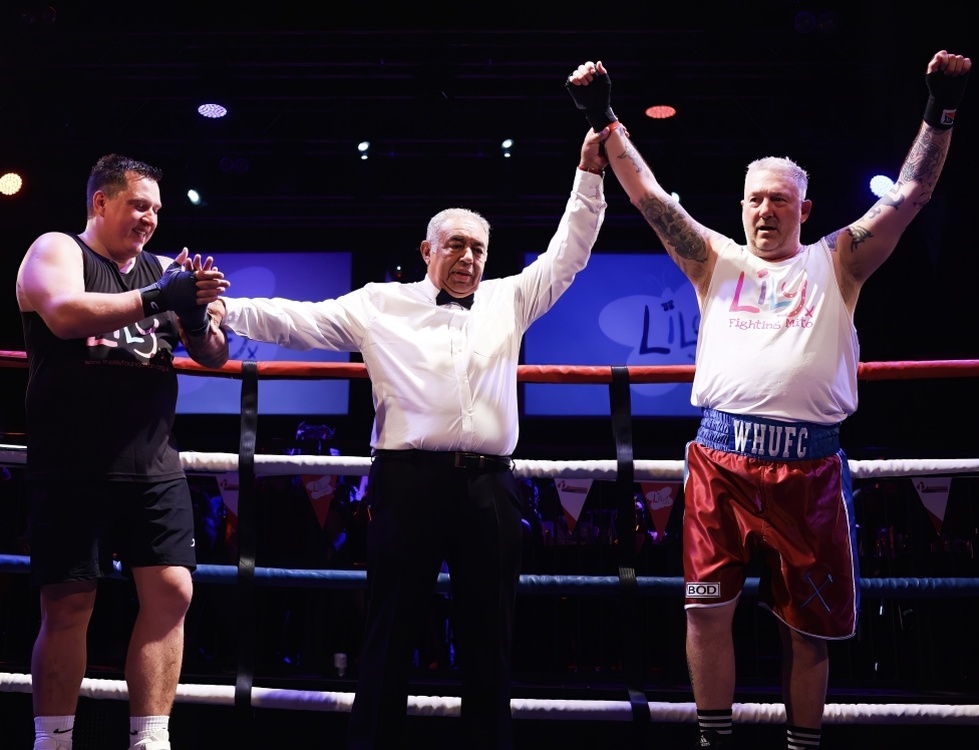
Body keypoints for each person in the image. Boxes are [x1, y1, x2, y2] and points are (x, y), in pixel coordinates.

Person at [567, 51, 971, 749]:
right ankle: (713, 742)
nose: (764, 210)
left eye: (778, 200)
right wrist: (603, 116)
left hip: (809, 471)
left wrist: (940, 112)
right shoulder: (715, 260)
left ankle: (803, 745)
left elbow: (908, 196)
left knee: (807, 628)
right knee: (705, 614)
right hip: (721, 461)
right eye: (755, 198)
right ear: (741, 204)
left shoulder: (838, 259)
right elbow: (651, 199)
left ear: (803, 208)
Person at [216, 128, 610, 749]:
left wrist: (589, 173)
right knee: (389, 636)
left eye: (479, 249)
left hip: (489, 485)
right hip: (408, 484)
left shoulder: (509, 299)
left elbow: (569, 252)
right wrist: (223, 309)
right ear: (427, 249)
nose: (469, 258)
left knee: (490, 642)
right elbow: (296, 320)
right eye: (456, 245)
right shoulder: (382, 304)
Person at [15, 153, 231, 750]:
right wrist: (163, 295)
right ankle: (53, 740)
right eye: (139, 205)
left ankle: (150, 740)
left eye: (157, 209)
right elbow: (62, 315)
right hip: (71, 461)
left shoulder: (163, 269)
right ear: (100, 202)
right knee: (68, 604)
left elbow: (212, 354)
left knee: (173, 591)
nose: (150, 219)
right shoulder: (58, 250)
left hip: (153, 461)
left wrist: (194, 313)